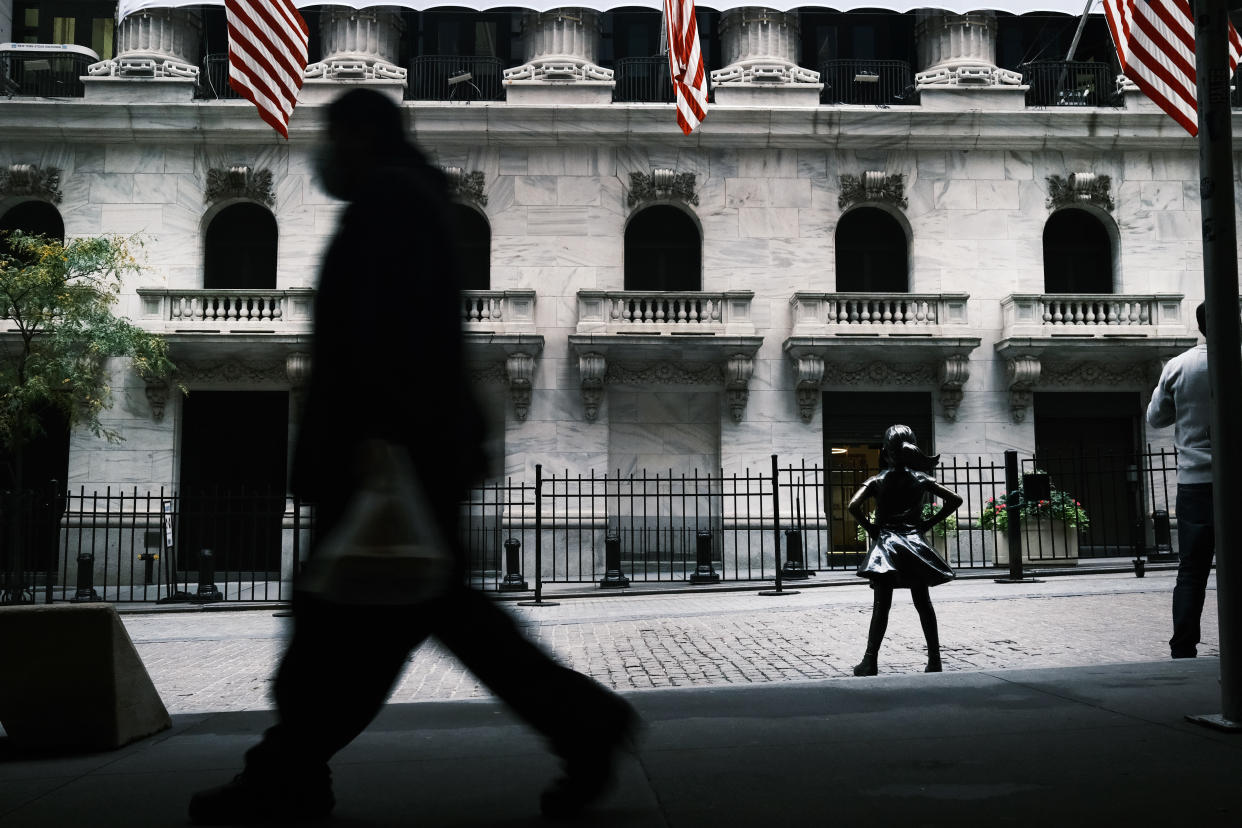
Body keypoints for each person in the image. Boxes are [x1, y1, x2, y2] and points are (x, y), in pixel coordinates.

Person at [189, 89, 636, 825]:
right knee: (426, 621)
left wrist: (370, 440)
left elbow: (384, 333)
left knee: (346, 628)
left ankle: (286, 773)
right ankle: (583, 724)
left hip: (388, 455)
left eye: (332, 138)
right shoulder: (405, 201)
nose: (322, 155)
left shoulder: (389, 205)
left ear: (363, 137)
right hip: (409, 449)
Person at [848, 425, 962, 676]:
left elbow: (853, 506)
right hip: (914, 545)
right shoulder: (921, 478)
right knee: (923, 603)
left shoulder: (877, 480)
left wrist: (871, 529)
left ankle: (870, 661)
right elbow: (955, 500)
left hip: (887, 545)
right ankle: (935, 660)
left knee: (882, 606)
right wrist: (926, 524)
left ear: (886, 453)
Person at [1147, 302, 1214, 659]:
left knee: (1191, 570)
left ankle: (1183, 645)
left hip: (1195, 481)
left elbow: (1156, 418)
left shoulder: (1179, 366)